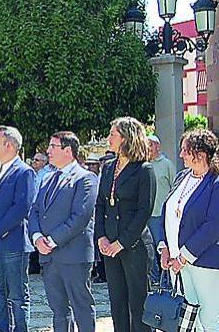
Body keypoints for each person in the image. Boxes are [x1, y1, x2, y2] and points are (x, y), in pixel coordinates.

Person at [28, 131, 99, 332]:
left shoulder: (86, 178)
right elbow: (34, 211)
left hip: (74, 255)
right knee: (58, 311)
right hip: (50, 258)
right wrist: (37, 237)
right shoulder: (48, 178)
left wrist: (50, 241)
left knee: (81, 308)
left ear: (68, 151)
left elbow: (80, 217)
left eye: (53, 146)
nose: (48, 151)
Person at [94, 117, 154, 332]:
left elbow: (143, 212)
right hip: (109, 246)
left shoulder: (143, 170)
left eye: (113, 134)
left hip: (133, 247)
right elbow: (100, 204)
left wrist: (121, 243)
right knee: (117, 304)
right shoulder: (108, 167)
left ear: (127, 138)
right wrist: (101, 236)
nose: (109, 138)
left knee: (138, 306)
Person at [0, 125, 37, 332]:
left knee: (17, 295)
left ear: (9, 145)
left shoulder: (24, 172)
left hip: (12, 243)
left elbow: (21, 207)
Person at [159, 129, 219, 331]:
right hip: (178, 264)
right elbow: (166, 212)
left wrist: (183, 257)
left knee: (209, 320)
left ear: (200, 154)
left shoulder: (215, 183)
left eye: (185, 150)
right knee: (189, 320)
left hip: (205, 263)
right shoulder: (182, 177)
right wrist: (164, 247)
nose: (181, 154)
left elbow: (213, 226)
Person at [147, 134, 176, 286]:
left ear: (158, 146)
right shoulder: (144, 165)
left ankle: (166, 280)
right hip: (146, 214)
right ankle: (154, 278)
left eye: (151, 144)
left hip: (160, 215)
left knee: (162, 248)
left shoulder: (167, 165)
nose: (148, 148)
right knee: (148, 249)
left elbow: (174, 187)